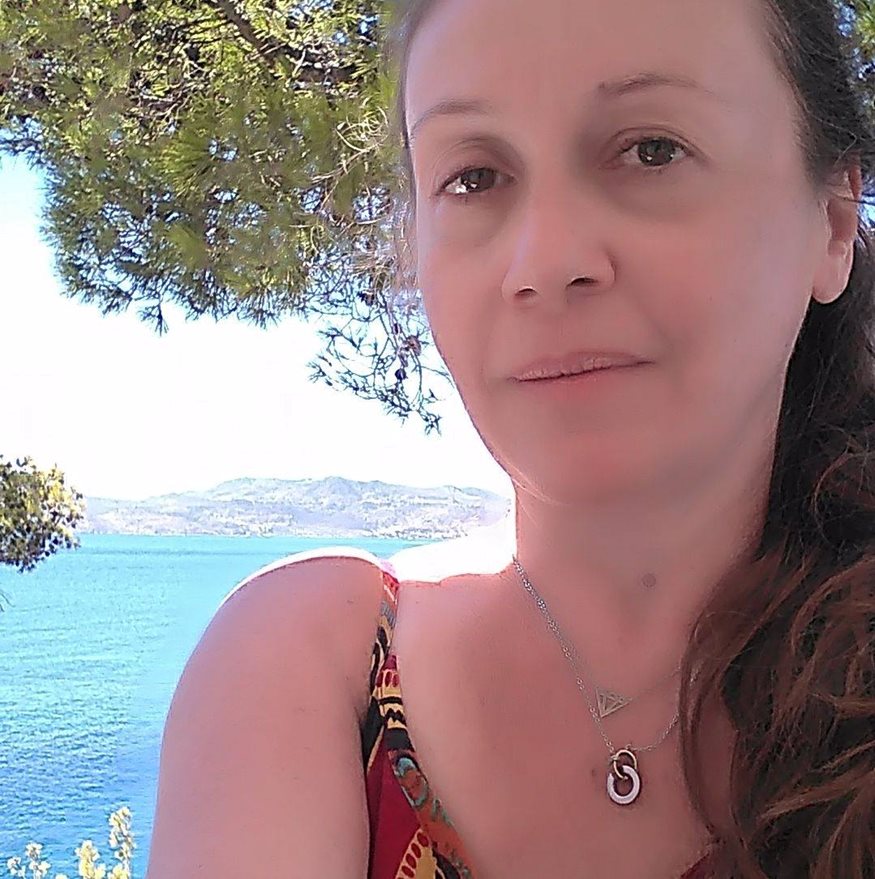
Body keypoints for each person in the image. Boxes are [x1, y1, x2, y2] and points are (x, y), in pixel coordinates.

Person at [144, 0, 875, 876]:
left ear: (833, 221)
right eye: (474, 177)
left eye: (652, 150)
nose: (545, 261)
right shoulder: (306, 667)